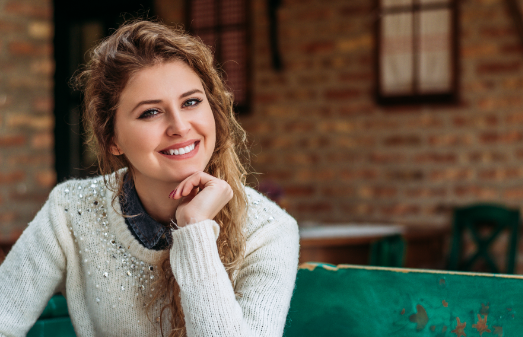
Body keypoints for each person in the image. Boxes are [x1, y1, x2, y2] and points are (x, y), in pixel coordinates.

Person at [0, 20, 299, 336]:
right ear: (113, 138)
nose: (180, 126)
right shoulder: (71, 210)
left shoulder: (269, 230)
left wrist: (195, 228)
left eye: (191, 102)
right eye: (150, 112)